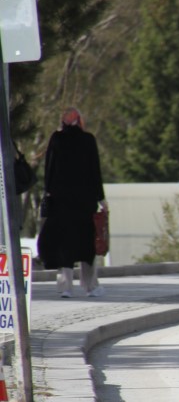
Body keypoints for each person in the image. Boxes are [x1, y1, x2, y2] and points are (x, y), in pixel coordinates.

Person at [37, 108, 108, 298]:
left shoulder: (56, 139)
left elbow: (48, 169)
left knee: (64, 245)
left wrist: (48, 193)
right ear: (78, 121)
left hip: (61, 203)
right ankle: (91, 287)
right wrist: (101, 198)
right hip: (85, 202)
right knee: (87, 244)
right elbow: (95, 172)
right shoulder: (88, 140)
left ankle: (66, 287)